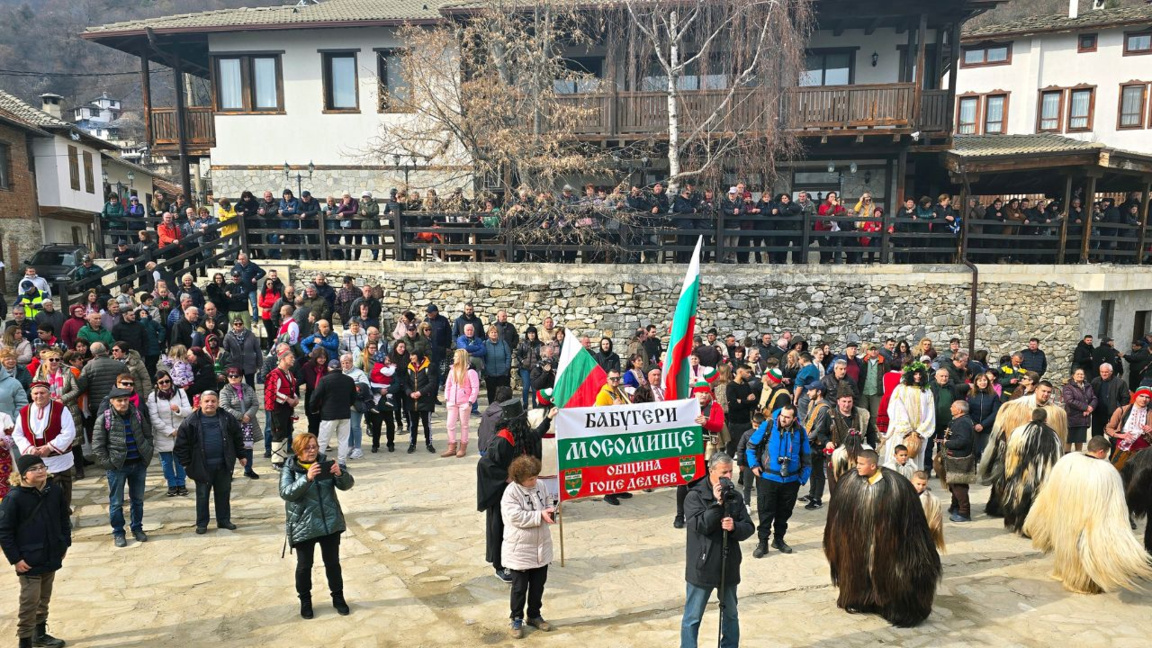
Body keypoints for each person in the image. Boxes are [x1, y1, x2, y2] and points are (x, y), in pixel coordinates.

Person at [823, 449, 941, 627]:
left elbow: (913, 524)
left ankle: (890, 603)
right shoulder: (849, 482)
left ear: (873, 465)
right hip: (857, 544)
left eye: (861, 464)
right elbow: (836, 517)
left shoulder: (897, 485)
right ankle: (859, 597)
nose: (857, 467)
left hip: (888, 545)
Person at [1025, 447, 1152, 594]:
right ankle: (1085, 579)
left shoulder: (1066, 464)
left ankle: (1066, 571)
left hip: (1068, 507)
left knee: (1068, 532)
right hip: (1094, 503)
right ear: (1102, 452)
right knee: (1090, 537)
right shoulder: (1107, 473)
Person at [680, 452, 755, 648]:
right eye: (724, 472)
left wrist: (735, 527)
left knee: (730, 614)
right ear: (711, 471)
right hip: (702, 567)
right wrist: (717, 504)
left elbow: (748, 527)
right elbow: (701, 526)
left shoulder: (736, 497)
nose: (728, 477)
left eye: (731, 471)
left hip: (728, 565)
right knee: (692, 617)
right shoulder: (694, 496)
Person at [476, 400, 556, 584]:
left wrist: (548, 419)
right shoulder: (503, 438)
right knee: (500, 527)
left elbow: (535, 436)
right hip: (502, 492)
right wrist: (506, 476)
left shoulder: (520, 434)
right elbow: (485, 464)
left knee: (518, 530)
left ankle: (520, 560)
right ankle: (499, 566)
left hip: (520, 489)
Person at [281, 432, 354, 619]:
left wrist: (340, 474)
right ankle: (305, 601)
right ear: (298, 451)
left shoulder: (325, 463)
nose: (312, 451)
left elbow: (346, 485)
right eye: (307, 448)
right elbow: (286, 493)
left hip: (329, 522)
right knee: (305, 566)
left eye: (314, 447)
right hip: (303, 524)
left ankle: (338, 597)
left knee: (333, 564)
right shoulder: (290, 468)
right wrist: (306, 478)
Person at [0, 455, 71, 648]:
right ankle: (25, 641)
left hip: (51, 554)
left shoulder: (54, 491)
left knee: (44, 598)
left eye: (42, 467)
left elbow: (64, 518)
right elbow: (4, 531)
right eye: (34, 469)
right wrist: (15, 559)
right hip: (28, 560)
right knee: (29, 601)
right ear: (23, 475)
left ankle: (39, 635)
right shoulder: (14, 498)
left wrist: (64, 543)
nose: (40, 471)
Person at [174, 391, 245, 534]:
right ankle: (202, 524)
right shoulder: (190, 421)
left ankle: (224, 520)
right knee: (202, 496)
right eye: (207, 401)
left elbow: (237, 436)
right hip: (202, 467)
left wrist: (241, 455)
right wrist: (187, 464)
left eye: (213, 401)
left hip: (223, 465)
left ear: (218, 403)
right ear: (200, 403)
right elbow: (181, 445)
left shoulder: (226, 418)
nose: (210, 404)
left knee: (223, 493)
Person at [501, 455, 556, 639]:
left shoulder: (540, 485)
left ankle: (534, 614)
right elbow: (515, 517)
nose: (535, 481)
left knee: (538, 585)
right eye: (530, 478)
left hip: (541, 546)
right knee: (519, 588)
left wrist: (550, 510)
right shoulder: (511, 493)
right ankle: (516, 618)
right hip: (520, 549)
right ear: (519, 478)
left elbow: (548, 500)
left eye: (535, 476)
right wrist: (540, 515)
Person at [746, 404, 809, 558]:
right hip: (768, 478)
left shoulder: (800, 431)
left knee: (785, 512)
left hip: (791, 480)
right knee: (765, 511)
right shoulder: (768, 425)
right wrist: (753, 465)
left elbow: (807, 457)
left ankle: (779, 539)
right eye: (782, 416)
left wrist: (802, 478)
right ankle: (763, 542)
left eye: (787, 417)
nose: (783, 419)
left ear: (794, 418)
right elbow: (751, 446)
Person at [93, 387, 153, 547]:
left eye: (126, 400)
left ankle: (137, 528)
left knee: (138, 500)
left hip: (138, 464)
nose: (123, 403)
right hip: (117, 467)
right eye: (119, 400)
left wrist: (147, 452)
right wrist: (109, 463)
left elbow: (148, 434)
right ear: (112, 402)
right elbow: (98, 445)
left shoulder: (137, 414)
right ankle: (118, 532)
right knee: (116, 502)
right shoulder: (104, 419)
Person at [13, 382, 77, 511]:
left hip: (58, 458)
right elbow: (17, 433)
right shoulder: (25, 411)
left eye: (42, 393)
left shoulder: (60, 409)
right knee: (39, 490)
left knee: (62, 489)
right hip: (35, 459)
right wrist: (30, 449)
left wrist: (50, 447)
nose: (39, 396)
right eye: (36, 393)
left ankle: (63, 515)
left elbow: (69, 432)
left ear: (49, 394)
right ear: (31, 395)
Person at [674, 381, 725, 529]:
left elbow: (719, 425)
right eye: (700, 392)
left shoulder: (715, 407)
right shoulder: (685, 405)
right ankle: (679, 514)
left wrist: (706, 422)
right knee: (684, 482)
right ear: (694, 393)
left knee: (704, 483)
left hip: (707, 452)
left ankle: (702, 512)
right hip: (688, 450)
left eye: (705, 392)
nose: (703, 395)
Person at [147, 370, 192, 496]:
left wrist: (178, 410)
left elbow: (189, 412)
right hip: (163, 435)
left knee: (180, 461)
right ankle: (171, 484)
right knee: (166, 462)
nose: (165, 384)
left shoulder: (180, 392)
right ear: (156, 384)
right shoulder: (153, 397)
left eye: (167, 381)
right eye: (161, 382)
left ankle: (181, 483)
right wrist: (170, 431)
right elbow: (154, 418)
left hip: (180, 432)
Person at [311, 360, 357, 467]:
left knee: (323, 440)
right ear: (340, 368)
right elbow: (353, 397)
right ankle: (342, 462)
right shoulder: (349, 380)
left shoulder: (324, 380)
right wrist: (347, 405)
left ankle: (320, 462)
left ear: (329, 368)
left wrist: (314, 409)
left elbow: (315, 397)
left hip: (328, 414)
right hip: (345, 414)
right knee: (343, 440)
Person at [220, 366, 262, 479]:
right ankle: (229, 472)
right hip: (232, 424)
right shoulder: (225, 391)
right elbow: (224, 407)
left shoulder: (248, 388)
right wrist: (240, 416)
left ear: (241, 377)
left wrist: (248, 415)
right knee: (231, 448)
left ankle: (248, 469)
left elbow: (255, 404)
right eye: (230, 376)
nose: (233, 378)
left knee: (248, 447)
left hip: (248, 423)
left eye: (236, 376)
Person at [940, 400, 976, 522]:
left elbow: (963, 441)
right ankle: (955, 506)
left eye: (953, 406)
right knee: (953, 484)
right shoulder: (959, 421)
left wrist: (947, 443)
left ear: (959, 410)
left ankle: (964, 512)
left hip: (959, 459)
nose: (950, 408)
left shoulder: (963, 423)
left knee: (959, 485)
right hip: (954, 458)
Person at [264, 348, 300, 469]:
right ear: (283, 359)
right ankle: (276, 461)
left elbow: (291, 389)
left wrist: (294, 398)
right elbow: (274, 391)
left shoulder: (289, 373)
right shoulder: (275, 374)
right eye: (291, 358)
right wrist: (287, 399)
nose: (293, 360)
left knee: (285, 433)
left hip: (287, 408)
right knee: (278, 433)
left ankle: (283, 457)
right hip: (278, 408)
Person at [397, 349, 437, 454]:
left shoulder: (429, 366)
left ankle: (429, 443)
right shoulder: (409, 367)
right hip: (411, 400)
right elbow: (405, 383)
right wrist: (410, 393)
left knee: (426, 424)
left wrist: (420, 392)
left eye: (412, 355)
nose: (410, 358)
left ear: (418, 356)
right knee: (413, 424)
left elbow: (432, 383)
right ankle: (412, 444)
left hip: (425, 400)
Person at [444, 348, 480, 458]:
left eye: (456, 356)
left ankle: (463, 447)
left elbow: (475, 387)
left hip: (464, 402)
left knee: (464, 425)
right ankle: (451, 446)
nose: (454, 358)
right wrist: (447, 398)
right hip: (452, 402)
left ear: (461, 358)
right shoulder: (452, 370)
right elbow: (448, 385)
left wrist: (470, 401)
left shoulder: (471, 372)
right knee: (450, 424)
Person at [1062, 368, 1096, 454]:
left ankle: (1078, 458)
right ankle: (1067, 460)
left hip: (1083, 419)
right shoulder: (1068, 387)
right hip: (1071, 418)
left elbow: (1094, 398)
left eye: (1082, 374)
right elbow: (1069, 401)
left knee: (1079, 441)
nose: (1080, 376)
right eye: (1078, 374)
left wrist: (1091, 407)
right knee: (1068, 441)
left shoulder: (1088, 386)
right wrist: (1085, 407)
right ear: (1073, 376)